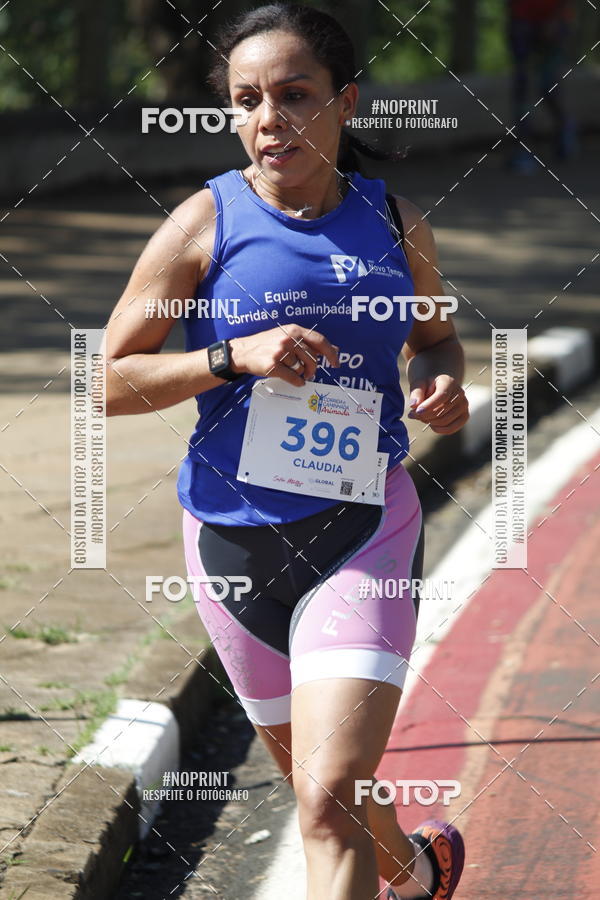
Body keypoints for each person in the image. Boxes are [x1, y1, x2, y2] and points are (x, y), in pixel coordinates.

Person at [106, 4, 469, 897]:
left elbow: (435, 335)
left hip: (363, 534)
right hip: (232, 549)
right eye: (246, 100)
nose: (270, 119)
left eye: (295, 95)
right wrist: (231, 357)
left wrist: (444, 380)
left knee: (326, 792)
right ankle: (420, 871)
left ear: (345, 103)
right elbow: (107, 381)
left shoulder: (395, 222)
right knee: (321, 785)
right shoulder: (204, 224)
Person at [507, 0, 577, 172]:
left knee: (547, 87)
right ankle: (523, 147)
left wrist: (555, 19)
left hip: (556, 21)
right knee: (522, 85)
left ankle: (564, 127)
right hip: (521, 20)